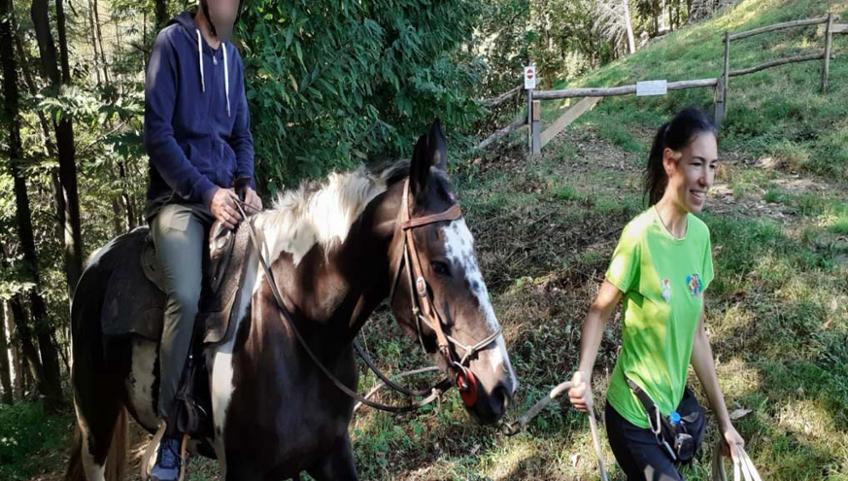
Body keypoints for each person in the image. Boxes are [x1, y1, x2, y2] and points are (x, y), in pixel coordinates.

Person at [568, 107, 745, 480]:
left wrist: (725, 423)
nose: (706, 179)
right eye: (698, 164)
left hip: (673, 410)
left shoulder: (700, 237)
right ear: (670, 161)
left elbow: (697, 336)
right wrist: (583, 374)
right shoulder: (639, 237)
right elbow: (600, 311)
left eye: (713, 166)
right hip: (633, 415)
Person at [143, 0, 261, 479]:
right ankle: (169, 433)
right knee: (187, 297)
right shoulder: (171, 45)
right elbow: (158, 135)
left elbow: (242, 136)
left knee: (272, 277)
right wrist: (207, 194)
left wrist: (247, 183)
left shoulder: (232, 59)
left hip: (228, 198)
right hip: (178, 200)